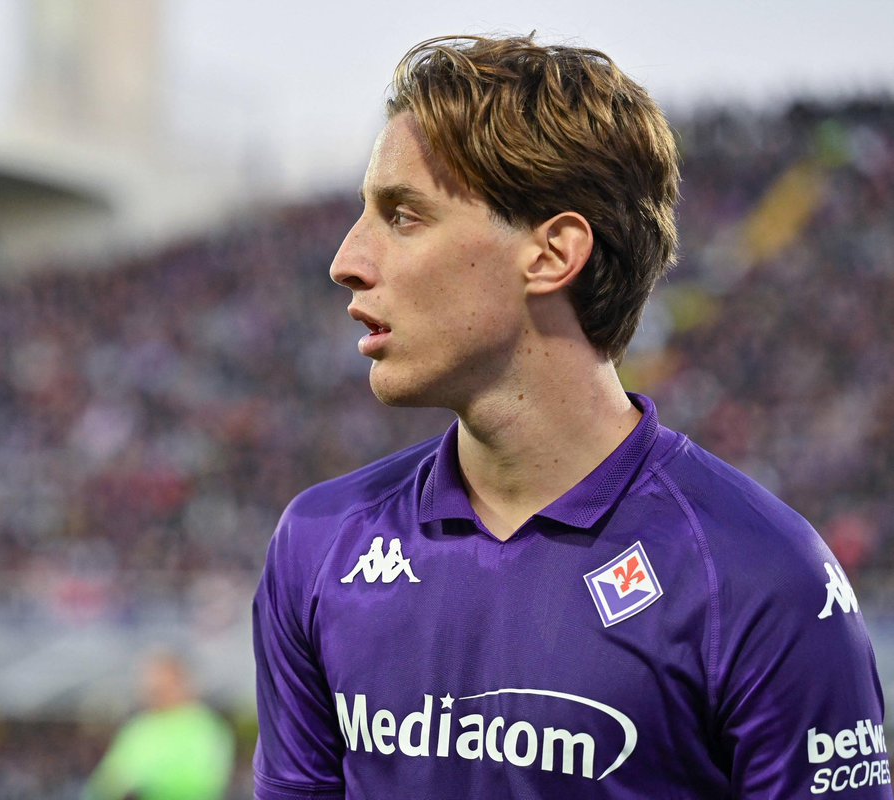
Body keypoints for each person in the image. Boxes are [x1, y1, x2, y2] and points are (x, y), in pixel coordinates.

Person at [252, 33, 890, 798]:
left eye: (404, 215)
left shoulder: (759, 575)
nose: (346, 261)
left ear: (552, 254)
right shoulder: (319, 543)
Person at [83, 650, 235, 800]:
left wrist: (145, 787)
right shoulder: (138, 728)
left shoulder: (204, 728)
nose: (155, 690)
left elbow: (203, 782)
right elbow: (106, 783)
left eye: (163, 684)